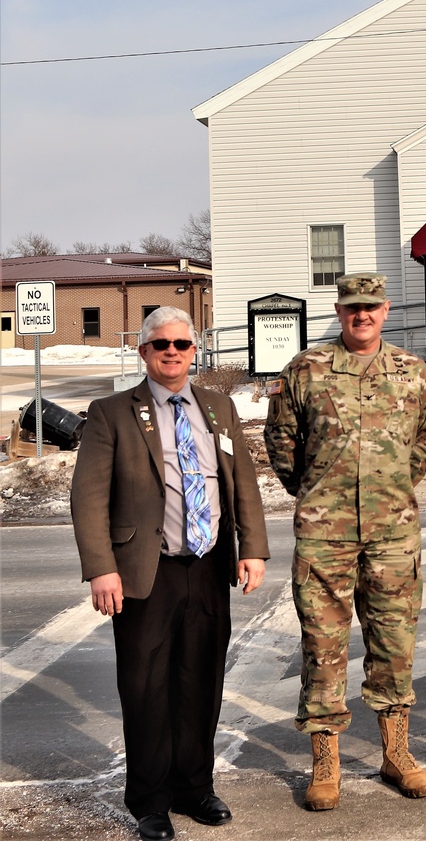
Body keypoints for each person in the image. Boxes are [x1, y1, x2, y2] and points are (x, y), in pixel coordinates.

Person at [70, 307, 269, 841]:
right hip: (144, 570)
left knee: (200, 678)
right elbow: (88, 497)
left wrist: (252, 548)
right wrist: (101, 568)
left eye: (182, 343)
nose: (173, 351)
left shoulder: (218, 407)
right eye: (162, 344)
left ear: (194, 349)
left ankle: (194, 787)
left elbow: (241, 483)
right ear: (144, 352)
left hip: (207, 565)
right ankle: (150, 799)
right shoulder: (112, 412)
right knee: (146, 685)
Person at [263, 273, 426, 810]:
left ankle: (397, 753)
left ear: (385, 310)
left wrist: (394, 487)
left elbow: (424, 439)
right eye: (351, 307)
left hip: (393, 531)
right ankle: (326, 761)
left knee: (394, 644)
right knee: (323, 644)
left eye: (371, 307)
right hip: (325, 532)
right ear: (339, 311)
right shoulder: (306, 370)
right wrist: (314, 491)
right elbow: (281, 439)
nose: (361, 315)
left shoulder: (413, 373)